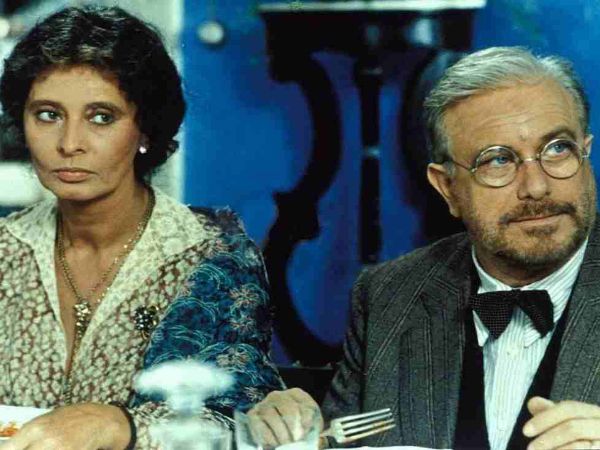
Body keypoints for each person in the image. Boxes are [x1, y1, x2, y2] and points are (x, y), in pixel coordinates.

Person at [248, 46, 600, 450]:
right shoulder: (388, 295)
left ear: (586, 151)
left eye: (558, 149)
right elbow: (340, 442)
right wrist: (293, 434)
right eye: (498, 161)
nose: (537, 187)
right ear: (447, 188)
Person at [0, 6, 283, 450]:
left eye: (101, 117)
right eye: (48, 115)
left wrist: (120, 426)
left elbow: (239, 423)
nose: (69, 144)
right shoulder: (5, 250)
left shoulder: (211, 256)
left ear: (146, 130)